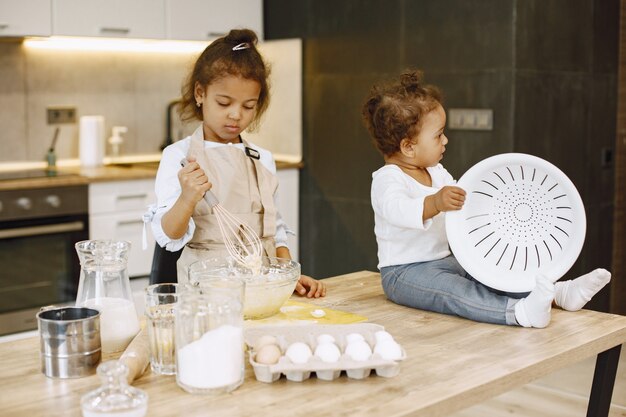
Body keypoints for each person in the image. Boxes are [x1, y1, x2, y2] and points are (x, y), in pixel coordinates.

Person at [361, 69, 610, 328]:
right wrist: (435, 203)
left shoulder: (435, 171)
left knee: (489, 273)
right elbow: (397, 210)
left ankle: (559, 293)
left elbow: (463, 198)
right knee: (455, 292)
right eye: (438, 135)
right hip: (405, 272)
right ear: (408, 147)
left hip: (447, 260)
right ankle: (518, 313)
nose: (445, 140)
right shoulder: (387, 178)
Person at [148, 28, 325, 298]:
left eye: (248, 106)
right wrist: (187, 198)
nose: (235, 115)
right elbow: (170, 237)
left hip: (261, 293)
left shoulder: (261, 159)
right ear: (200, 93)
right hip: (204, 297)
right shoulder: (179, 157)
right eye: (224, 102)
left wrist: (289, 275)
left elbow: (273, 231)